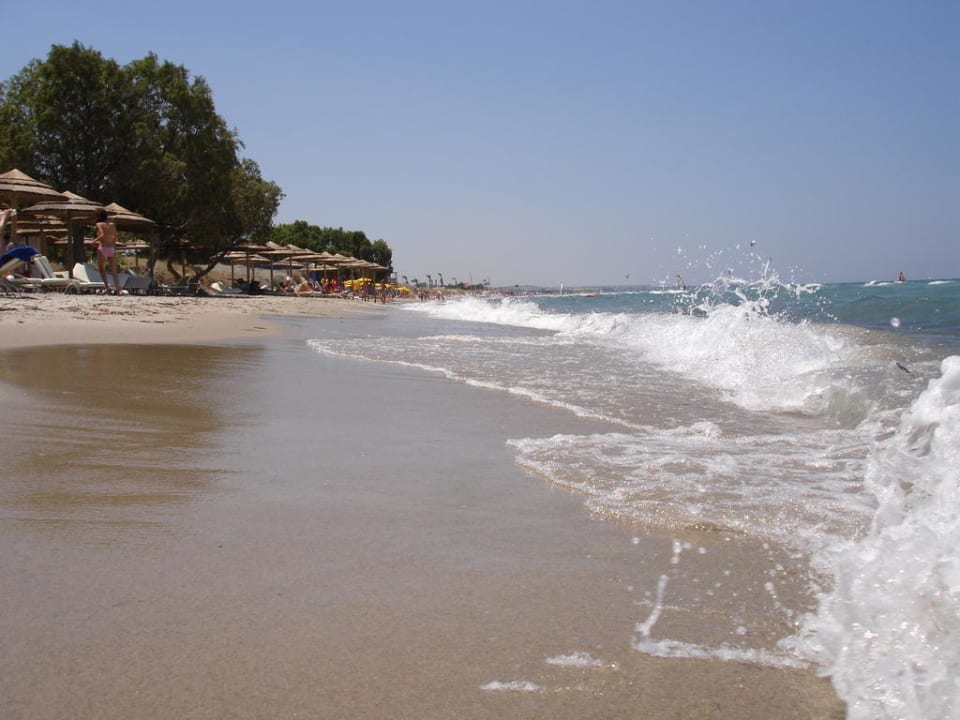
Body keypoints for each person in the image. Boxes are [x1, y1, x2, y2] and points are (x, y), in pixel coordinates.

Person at [94, 210, 121, 294]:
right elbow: (116, 238)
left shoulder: (99, 224)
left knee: (101, 269)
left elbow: (102, 235)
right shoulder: (112, 225)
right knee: (114, 272)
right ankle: (118, 289)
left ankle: (107, 287)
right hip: (111, 249)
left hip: (103, 248)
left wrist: (94, 241)